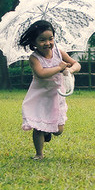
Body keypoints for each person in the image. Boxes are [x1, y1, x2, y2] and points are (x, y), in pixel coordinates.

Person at [19, 20, 81, 159]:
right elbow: (41, 73)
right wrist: (59, 68)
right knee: (38, 126)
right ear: (34, 42)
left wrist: (70, 70)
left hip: (56, 95)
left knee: (58, 130)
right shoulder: (34, 58)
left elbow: (77, 64)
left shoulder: (59, 53)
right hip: (40, 96)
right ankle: (39, 154)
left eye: (50, 38)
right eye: (42, 40)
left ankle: (48, 132)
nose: (47, 43)